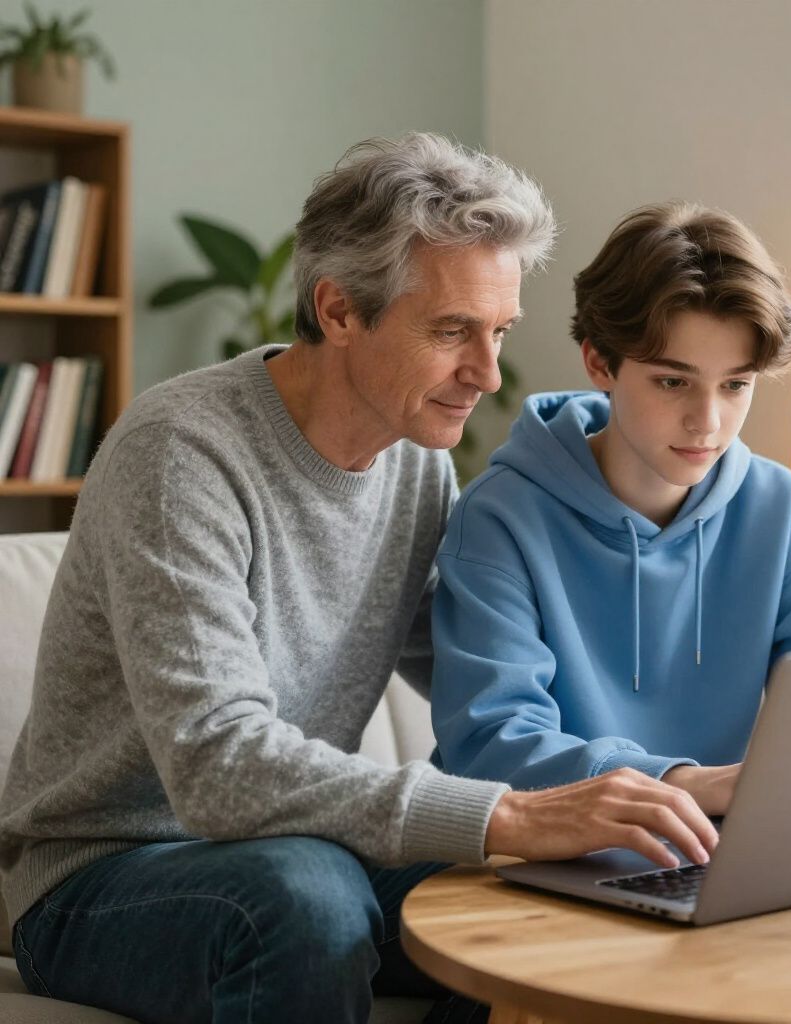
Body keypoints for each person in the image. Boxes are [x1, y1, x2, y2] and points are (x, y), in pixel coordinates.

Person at [0, 139, 719, 1024]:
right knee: (308, 895)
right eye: (452, 331)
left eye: (498, 332)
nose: (487, 375)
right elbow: (218, 765)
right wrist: (508, 817)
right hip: (103, 876)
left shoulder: (413, 465)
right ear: (338, 310)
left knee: (561, 888)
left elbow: (485, 674)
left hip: (295, 848)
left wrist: (672, 782)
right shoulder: (181, 452)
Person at [431, 201, 791, 815]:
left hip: (718, 846)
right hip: (544, 853)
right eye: (673, 381)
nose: (708, 422)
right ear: (598, 363)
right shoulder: (501, 518)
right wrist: (683, 786)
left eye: (735, 385)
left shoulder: (777, 507)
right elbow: (491, 744)